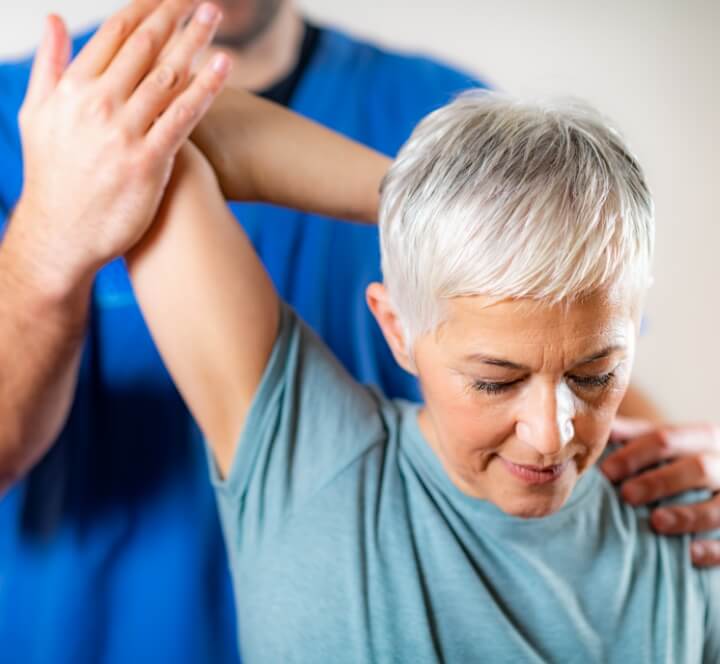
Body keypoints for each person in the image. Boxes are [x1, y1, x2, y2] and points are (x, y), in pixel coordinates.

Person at [0, 0, 718, 661]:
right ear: (396, 328)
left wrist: (686, 478)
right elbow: (160, 140)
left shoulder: (442, 102)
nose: (551, 431)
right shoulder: (321, 468)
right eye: (493, 379)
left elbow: (567, 344)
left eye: (594, 374)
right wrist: (438, 222)